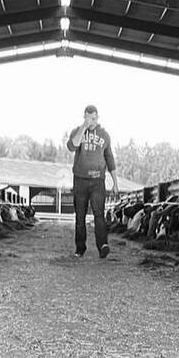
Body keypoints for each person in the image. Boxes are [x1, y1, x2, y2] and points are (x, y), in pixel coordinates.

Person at [67, 105, 118, 259]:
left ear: (98, 117)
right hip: (80, 180)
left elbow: (110, 159)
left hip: (98, 181)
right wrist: (84, 126)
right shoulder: (77, 132)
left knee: (99, 214)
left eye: (94, 118)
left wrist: (115, 182)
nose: (91, 121)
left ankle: (103, 245)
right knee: (80, 215)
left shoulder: (104, 135)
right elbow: (72, 146)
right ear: (84, 117)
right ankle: (80, 248)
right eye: (88, 118)